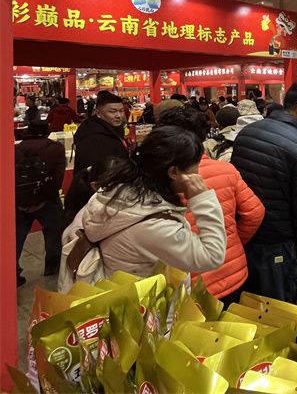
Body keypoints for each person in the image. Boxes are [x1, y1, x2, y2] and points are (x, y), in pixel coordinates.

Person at [74, 126, 226, 278]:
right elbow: (212, 256)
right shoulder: (154, 225)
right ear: (174, 172)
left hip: (118, 280)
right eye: (197, 165)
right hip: (141, 291)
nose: (199, 171)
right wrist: (203, 199)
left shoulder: (117, 189)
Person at [156, 106, 265, 304]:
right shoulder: (225, 169)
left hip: (186, 281)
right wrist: (232, 241)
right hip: (232, 271)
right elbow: (255, 213)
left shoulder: (161, 180)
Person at [231, 83, 297, 303]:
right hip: (277, 239)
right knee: (277, 304)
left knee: (248, 300)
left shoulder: (246, 132)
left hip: (245, 233)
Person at [15, 120, 65, 285]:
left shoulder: (16, 149)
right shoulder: (55, 148)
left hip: (20, 201)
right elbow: (58, 178)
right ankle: (52, 267)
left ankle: (11, 272)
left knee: (17, 237)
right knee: (53, 235)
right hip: (48, 200)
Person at [73, 90, 129, 173]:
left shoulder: (114, 129)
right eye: (112, 111)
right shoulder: (92, 135)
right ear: (98, 113)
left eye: (121, 111)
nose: (119, 115)